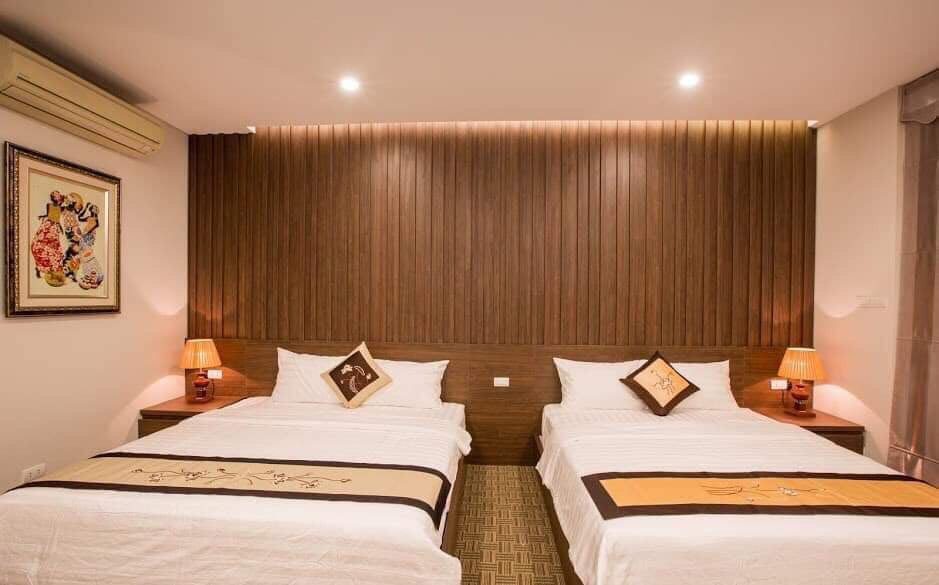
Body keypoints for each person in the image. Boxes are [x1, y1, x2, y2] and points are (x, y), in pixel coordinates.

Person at [29, 190, 66, 287]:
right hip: (47, 226)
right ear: (52, 197)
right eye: (55, 195)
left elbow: (57, 218)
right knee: (40, 245)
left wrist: (60, 228)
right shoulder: (49, 205)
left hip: (54, 228)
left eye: (58, 195)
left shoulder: (61, 207)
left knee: (54, 249)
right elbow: (49, 214)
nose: (57, 196)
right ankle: (39, 268)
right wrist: (42, 216)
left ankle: (50, 270)